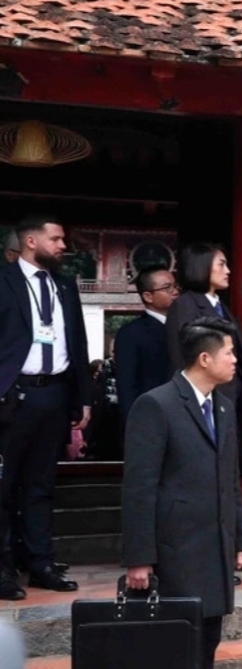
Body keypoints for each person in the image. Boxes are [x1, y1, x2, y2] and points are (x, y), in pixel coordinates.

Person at [122, 316, 242, 669]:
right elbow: (139, 487)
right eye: (229, 352)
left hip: (216, 546)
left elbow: (230, 478)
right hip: (176, 548)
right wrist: (139, 557)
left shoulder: (223, 407)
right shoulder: (156, 405)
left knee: (209, 639)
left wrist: (241, 537)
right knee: (175, 645)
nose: (235, 360)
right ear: (205, 359)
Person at [0, 214, 91, 597]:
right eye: (56, 239)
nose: (62, 246)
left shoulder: (65, 285)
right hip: (12, 395)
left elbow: (79, 344)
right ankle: (3, 568)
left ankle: (41, 564)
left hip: (55, 394)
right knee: (3, 486)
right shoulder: (3, 282)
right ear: (31, 242)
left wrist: (84, 398)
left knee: (41, 485)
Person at [166, 243, 242, 482]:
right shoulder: (184, 306)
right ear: (202, 267)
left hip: (229, 402)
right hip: (206, 405)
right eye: (221, 264)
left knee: (228, 476)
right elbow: (183, 361)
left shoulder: (221, 307)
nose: (228, 271)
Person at [115, 266, 179, 434]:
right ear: (148, 296)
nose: (175, 292)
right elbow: (126, 385)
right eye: (167, 288)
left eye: (175, 286)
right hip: (152, 417)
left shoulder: (186, 327)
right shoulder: (131, 333)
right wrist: (134, 423)